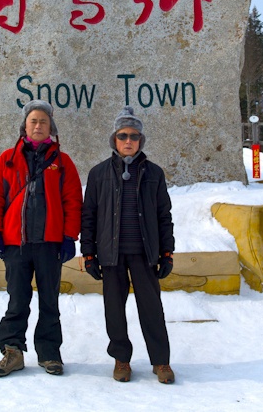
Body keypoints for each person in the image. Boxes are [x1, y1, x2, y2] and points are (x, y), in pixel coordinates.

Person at [0, 100, 83, 377]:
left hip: (50, 245)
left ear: (51, 127)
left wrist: (68, 237)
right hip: (16, 244)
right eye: (33, 121)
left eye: (43, 122)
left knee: (49, 301)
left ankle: (49, 353)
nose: (38, 126)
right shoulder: (8, 159)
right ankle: (12, 351)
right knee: (17, 300)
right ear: (25, 126)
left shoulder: (62, 162)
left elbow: (73, 201)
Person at [81, 106, 176, 384]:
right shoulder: (98, 173)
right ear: (114, 139)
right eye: (122, 135)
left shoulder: (154, 173)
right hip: (110, 255)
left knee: (152, 309)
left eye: (134, 136)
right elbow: (89, 216)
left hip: (145, 254)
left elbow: (164, 215)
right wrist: (88, 253)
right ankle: (121, 359)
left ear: (140, 140)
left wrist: (167, 252)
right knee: (114, 310)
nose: (128, 140)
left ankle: (161, 361)